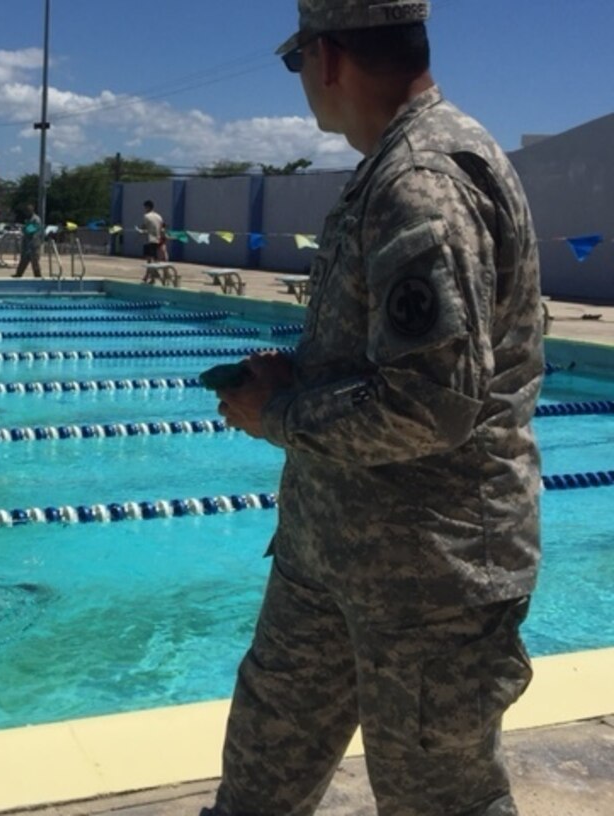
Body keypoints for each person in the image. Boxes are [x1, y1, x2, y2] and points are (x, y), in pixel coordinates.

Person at [200, 2, 544, 815]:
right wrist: (303, 376)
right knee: (256, 787)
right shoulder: (393, 165)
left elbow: (431, 403)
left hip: (427, 580)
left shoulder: (421, 180)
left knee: (442, 802)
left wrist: (276, 415)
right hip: (328, 557)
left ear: (329, 60)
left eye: (298, 67)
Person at [12, 203, 43, 278]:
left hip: (34, 244)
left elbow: (33, 229)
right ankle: (18, 274)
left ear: (32, 210)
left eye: (28, 211)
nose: (27, 212)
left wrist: (24, 228)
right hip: (26, 243)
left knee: (35, 261)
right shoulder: (28, 219)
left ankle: (38, 276)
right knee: (23, 260)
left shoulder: (36, 219)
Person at [137, 200, 164, 264]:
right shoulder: (159, 216)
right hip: (158, 238)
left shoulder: (147, 216)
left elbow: (144, 226)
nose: (145, 209)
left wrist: (140, 230)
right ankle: (152, 271)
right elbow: (161, 227)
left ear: (148, 207)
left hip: (150, 239)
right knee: (155, 255)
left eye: (145, 207)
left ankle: (151, 272)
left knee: (149, 256)